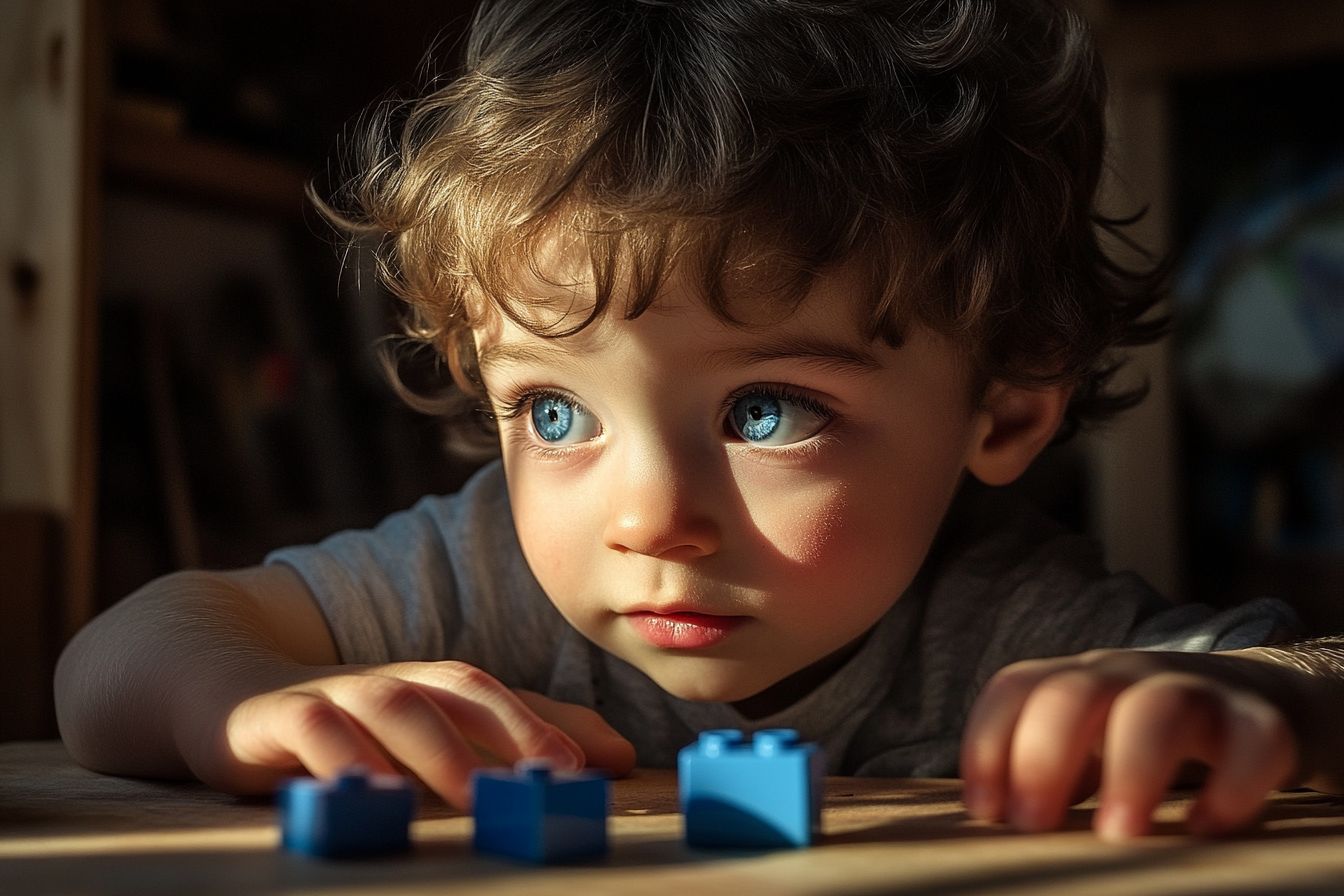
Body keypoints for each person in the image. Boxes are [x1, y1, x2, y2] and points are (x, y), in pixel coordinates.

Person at [55, 0, 1344, 843]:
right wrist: (245, 699)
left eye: (769, 410)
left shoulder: (1011, 627)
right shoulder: (477, 569)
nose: (647, 518)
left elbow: (1318, 675)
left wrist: (1251, 693)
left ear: (1003, 410)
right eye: (555, 409)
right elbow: (113, 663)